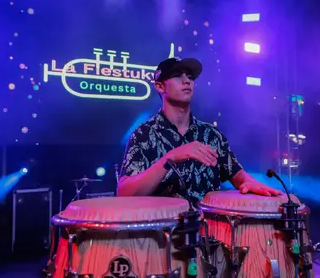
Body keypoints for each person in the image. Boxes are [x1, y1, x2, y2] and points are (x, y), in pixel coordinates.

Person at [117, 57, 281, 206]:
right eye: (177, 75)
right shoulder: (144, 134)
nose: (186, 81)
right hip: (163, 234)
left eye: (190, 76)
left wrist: (252, 184)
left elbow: (239, 177)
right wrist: (170, 158)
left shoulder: (211, 135)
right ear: (160, 86)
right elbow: (124, 193)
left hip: (211, 234)